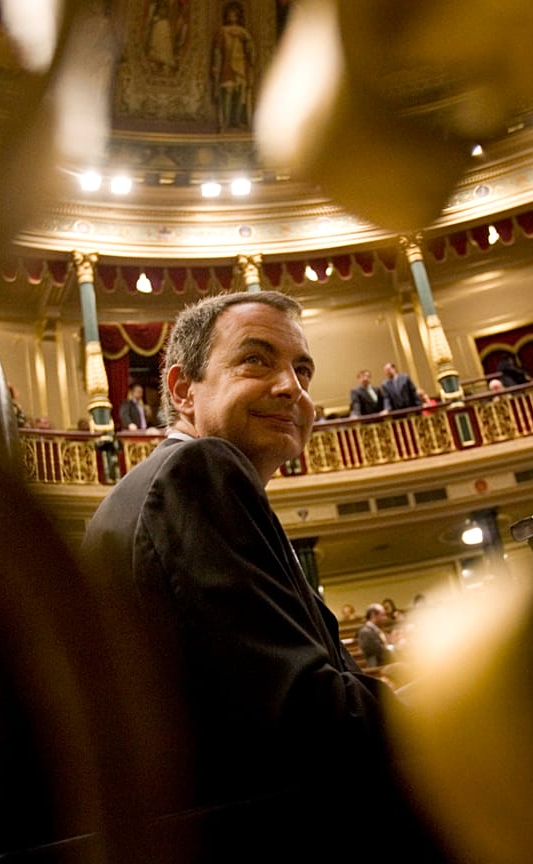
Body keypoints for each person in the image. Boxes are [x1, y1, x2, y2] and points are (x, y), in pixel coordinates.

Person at [80, 291, 442, 861]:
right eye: (256, 360)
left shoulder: (161, 485)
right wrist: (452, 709)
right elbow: (307, 726)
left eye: (302, 370)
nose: (290, 388)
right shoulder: (196, 471)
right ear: (181, 389)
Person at [211, 1, 255, 131]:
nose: (232, 17)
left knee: (241, 91)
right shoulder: (222, 31)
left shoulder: (243, 32)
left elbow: (250, 48)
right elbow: (217, 50)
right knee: (227, 90)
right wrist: (215, 65)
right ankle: (225, 121)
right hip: (227, 63)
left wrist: (246, 40)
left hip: (241, 64)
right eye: (229, 15)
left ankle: (236, 120)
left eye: (234, 15)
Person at [356, 604, 394, 669]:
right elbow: (378, 651)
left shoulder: (377, 629)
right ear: (373, 615)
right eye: (382, 615)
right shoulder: (366, 632)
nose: (385, 618)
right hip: (378, 666)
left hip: (385, 664)